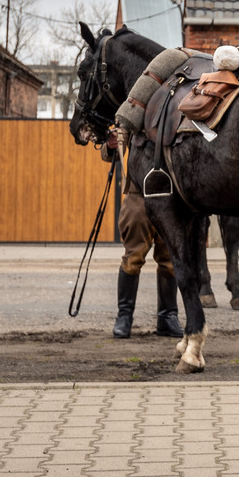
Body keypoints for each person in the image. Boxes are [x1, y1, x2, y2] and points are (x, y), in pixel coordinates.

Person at [101, 131, 182, 339]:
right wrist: (110, 146)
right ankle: (124, 316)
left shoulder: (177, 103)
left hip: (171, 194)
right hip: (138, 194)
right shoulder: (136, 107)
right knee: (133, 256)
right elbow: (112, 152)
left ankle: (168, 316)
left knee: (170, 258)